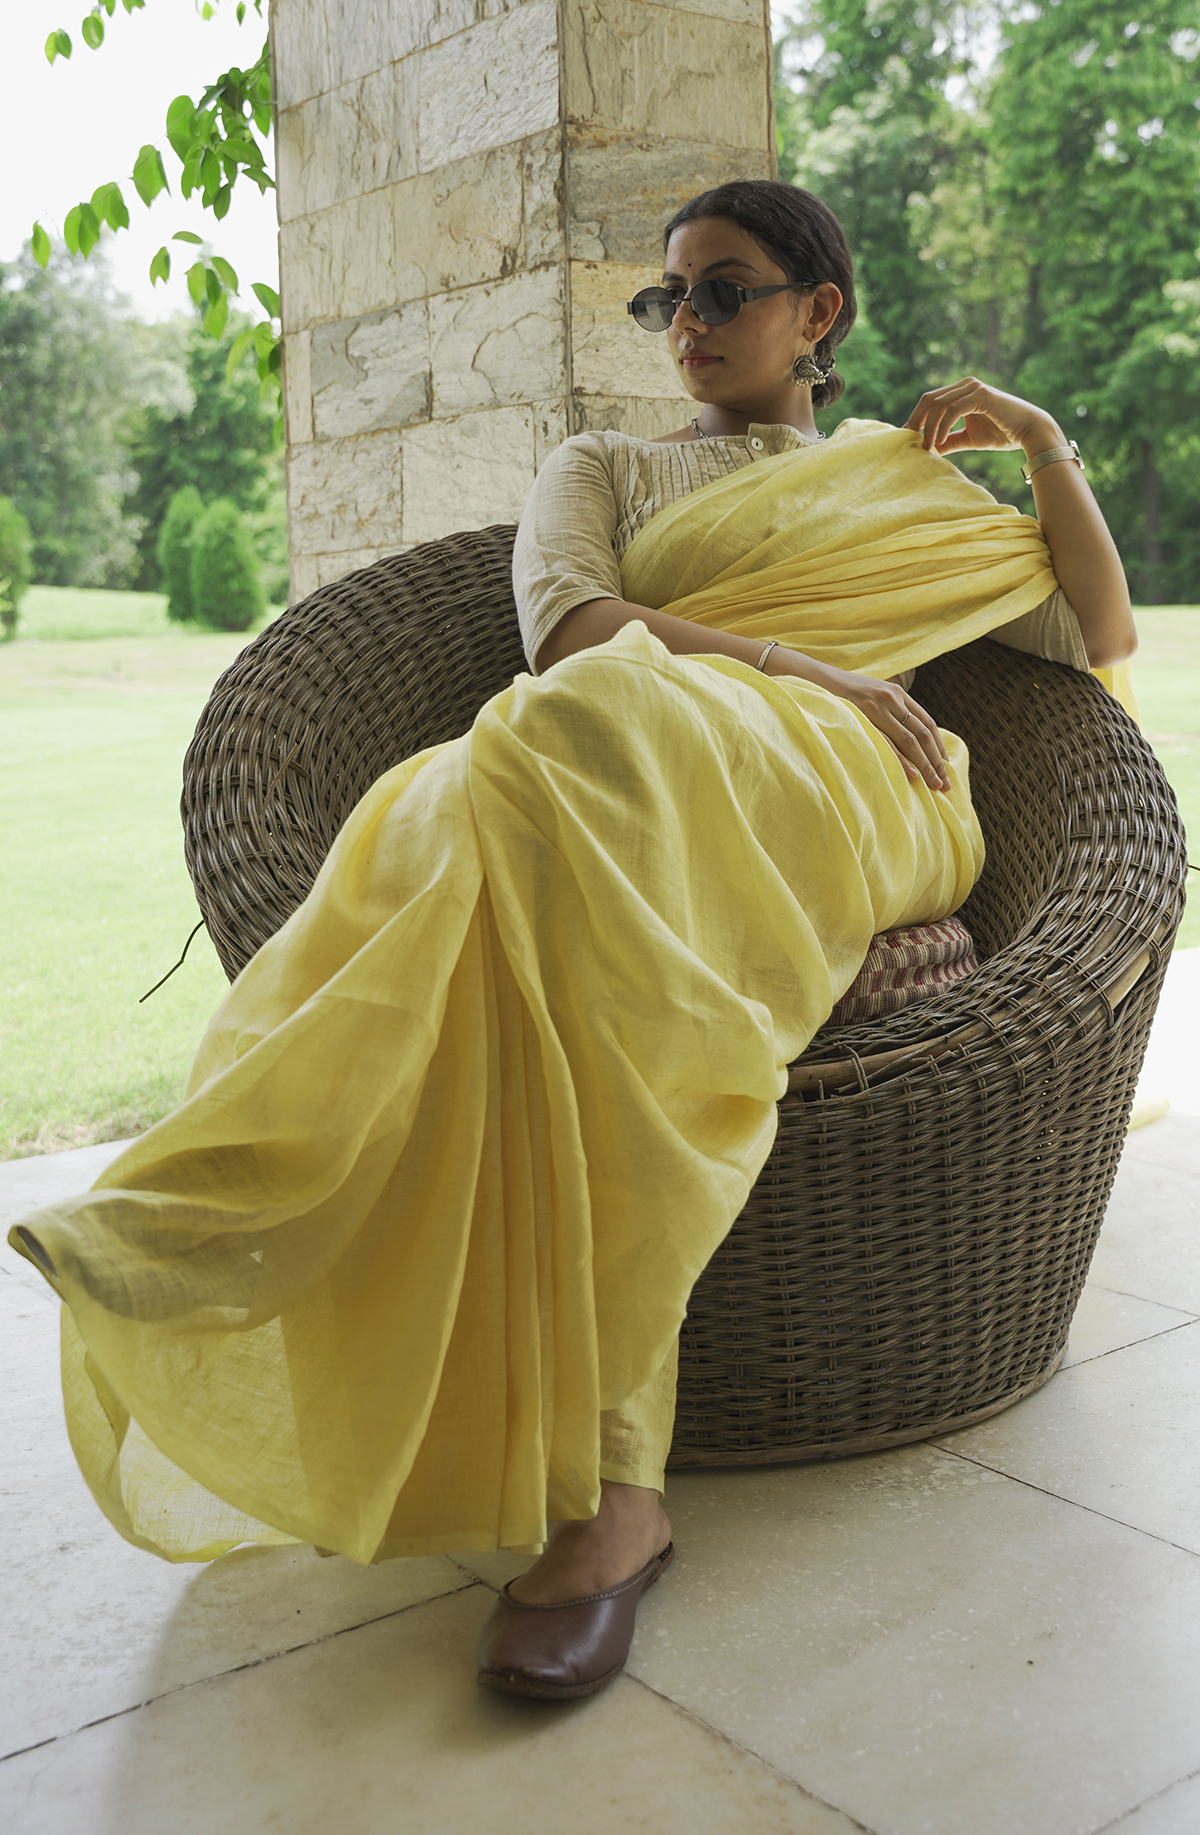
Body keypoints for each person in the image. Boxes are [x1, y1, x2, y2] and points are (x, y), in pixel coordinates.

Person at [8, 180, 1136, 1704]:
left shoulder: (900, 486)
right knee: (550, 755)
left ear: (819, 313)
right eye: (668, 298)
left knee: (527, 763)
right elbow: (566, 630)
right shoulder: (599, 467)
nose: (687, 324)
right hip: (635, 764)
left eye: (724, 291)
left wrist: (1039, 437)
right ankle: (613, 1492)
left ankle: (240, 1191)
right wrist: (793, 658)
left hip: (862, 782)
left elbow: (1093, 633)